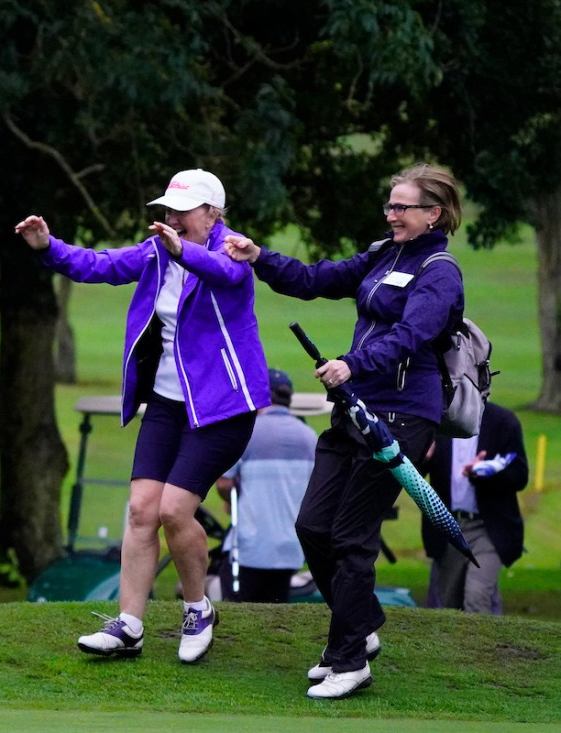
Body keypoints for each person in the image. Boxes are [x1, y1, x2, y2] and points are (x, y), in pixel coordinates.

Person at [225, 163, 465, 699]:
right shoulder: (385, 253)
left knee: (352, 538)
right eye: (389, 204)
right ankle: (361, 623)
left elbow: (410, 335)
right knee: (312, 526)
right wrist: (260, 258)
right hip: (354, 409)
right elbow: (316, 279)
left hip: (402, 415)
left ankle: (350, 659)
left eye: (402, 207)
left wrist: (354, 364)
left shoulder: (441, 271)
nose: (391, 213)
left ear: (434, 214)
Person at [15, 168, 270, 664]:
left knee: (175, 510)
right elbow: (101, 265)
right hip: (168, 403)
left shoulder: (233, 247)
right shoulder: (158, 249)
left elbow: (226, 274)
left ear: (212, 213)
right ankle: (129, 624)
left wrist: (182, 252)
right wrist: (49, 246)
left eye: (183, 210)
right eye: (168, 210)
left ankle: (198, 609)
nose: (171, 218)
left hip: (223, 407)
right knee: (140, 511)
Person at [215, 369, 317, 603]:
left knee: (238, 617)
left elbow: (224, 483)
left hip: (250, 549)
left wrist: (233, 500)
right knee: (274, 615)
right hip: (290, 551)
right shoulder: (309, 436)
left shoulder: (248, 432)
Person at [423, 401, 528, 613]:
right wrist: (422, 458)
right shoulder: (437, 421)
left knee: (476, 597)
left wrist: (486, 471)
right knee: (447, 605)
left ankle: (486, 646)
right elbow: (412, 473)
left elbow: (519, 476)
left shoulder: (503, 422)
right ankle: (458, 645)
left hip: (488, 527)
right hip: (448, 528)